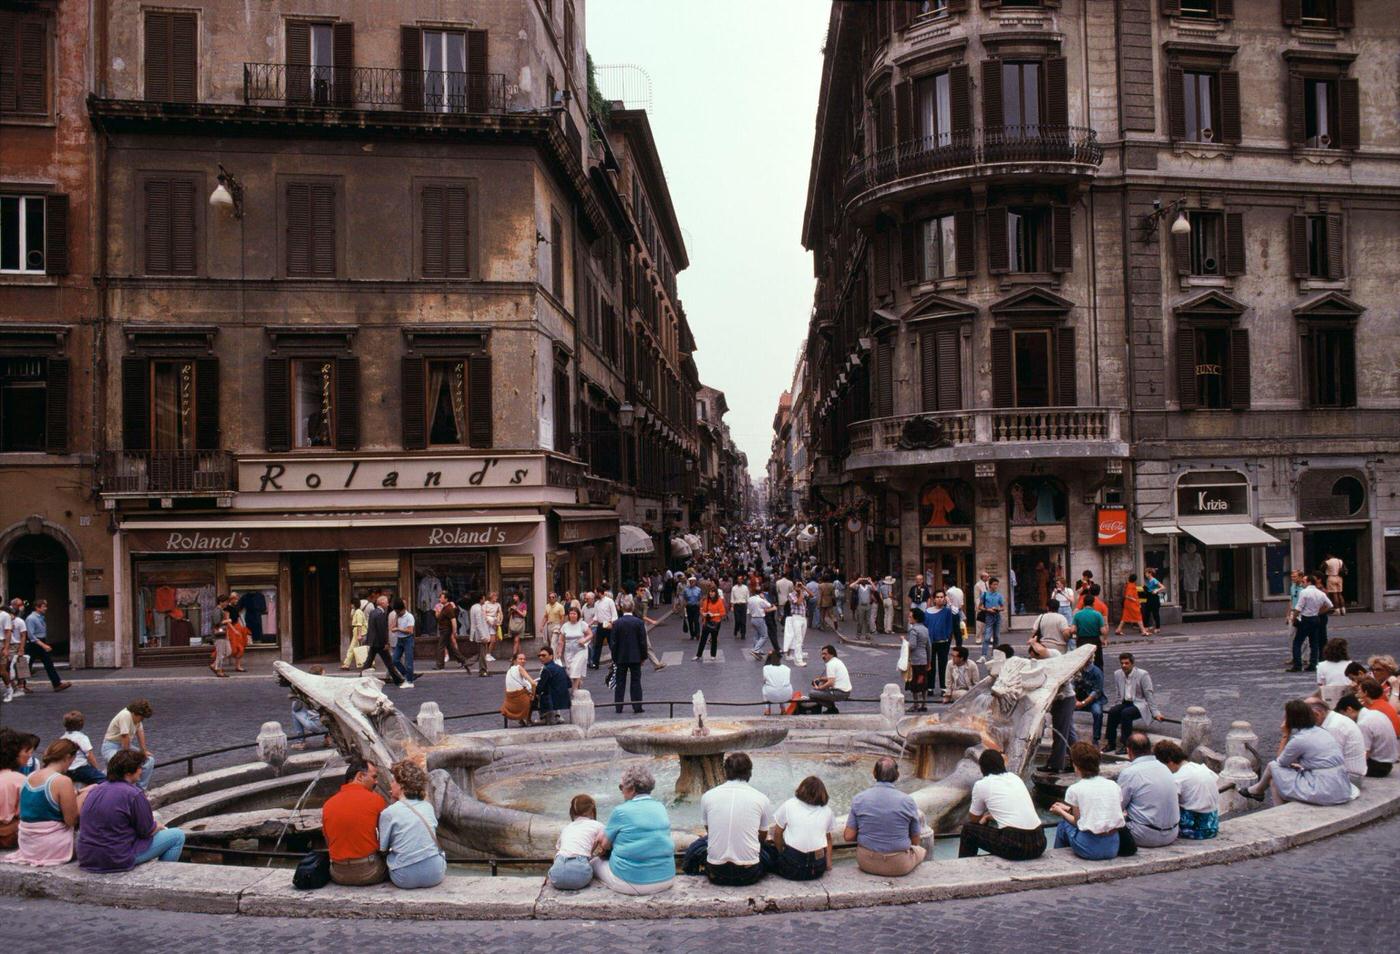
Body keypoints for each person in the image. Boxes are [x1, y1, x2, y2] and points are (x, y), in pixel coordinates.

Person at [76, 749, 186, 871]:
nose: (141, 770)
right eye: (139, 767)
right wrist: (158, 826)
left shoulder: (95, 791)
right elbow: (147, 831)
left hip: (87, 857)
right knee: (177, 836)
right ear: (128, 773)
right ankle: (164, 875)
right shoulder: (134, 794)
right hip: (116, 858)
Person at [683, 752, 777, 885]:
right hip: (749, 874)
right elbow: (762, 836)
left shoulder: (708, 796)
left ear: (726, 772)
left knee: (699, 844)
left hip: (716, 873)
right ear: (749, 772)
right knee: (770, 850)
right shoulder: (762, 799)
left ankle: (689, 873)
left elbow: (710, 831)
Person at [1239, 699, 1354, 806]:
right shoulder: (1322, 731)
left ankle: (1257, 790)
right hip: (1341, 785)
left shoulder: (1300, 739)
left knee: (1272, 766)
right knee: (1274, 781)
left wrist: (1285, 735)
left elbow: (1280, 762)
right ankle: (1263, 797)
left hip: (1323, 788)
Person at [592, 765, 675, 895]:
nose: (621, 791)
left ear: (631, 788)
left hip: (632, 883)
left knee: (594, 863)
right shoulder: (661, 807)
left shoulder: (621, 811)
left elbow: (605, 844)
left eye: (621, 787)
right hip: (667, 878)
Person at [3, 739, 80, 866]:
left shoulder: (29, 777)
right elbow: (71, 821)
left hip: (28, 845)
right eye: (73, 760)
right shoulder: (63, 781)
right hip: (52, 846)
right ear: (67, 757)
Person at [845, 756, 926, 877]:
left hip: (865, 862)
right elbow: (915, 840)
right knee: (922, 851)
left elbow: (848, 836)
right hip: (899, 865)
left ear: (874, 773)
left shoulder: (859, 799)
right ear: (897, 776)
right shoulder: (908, 801)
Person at [959, 749, 1046, 861]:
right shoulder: (1015, 778)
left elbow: (974, 819)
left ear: (982, 768)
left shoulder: (982, 784)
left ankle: (964, 869)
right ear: (1002, 764)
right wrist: (991, 816)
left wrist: (984, 817)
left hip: (1016, 846)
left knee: (968, 830)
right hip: (1040, 841)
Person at [377, 759, 446, 889]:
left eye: (393, 781)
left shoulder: (389, 813)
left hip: (404, 878)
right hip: (436, 874)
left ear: (401, 786)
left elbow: (383, 848)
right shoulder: (427, 807)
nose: (390, 784)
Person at [1050, 741, 1123, 860]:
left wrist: (1061, 812)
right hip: (1113, 846)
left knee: (1063, 826)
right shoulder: (1113, 785)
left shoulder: (1075, 789)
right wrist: (1068, 809)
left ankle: (1056, 861)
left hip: (1090, 847)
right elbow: (1102, 811)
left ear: (1076, 766)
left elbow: (1077, 823)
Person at [323, 758, 388, 885]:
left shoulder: (328, 804)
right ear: (360, 776)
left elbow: (328, 841)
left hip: (338, 873)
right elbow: (385, 841)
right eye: (374, 777)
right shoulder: (376, 800)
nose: (376, 781)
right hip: (370, 871)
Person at [1115, 732, 1179, 855]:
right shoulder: (1164, 767)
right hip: (1172, 833)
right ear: (1149, 749)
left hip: (1144, 835)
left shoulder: (1130, 773)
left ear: (1129, 751)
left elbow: (1117, 806)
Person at [1029, 630, 1076, 775]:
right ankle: (1078, 761)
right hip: (1058, 699)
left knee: (1061, 732)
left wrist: (1033, 642)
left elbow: (1041, 650)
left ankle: (1056, 764)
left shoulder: (1054, 655)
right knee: (1068, 733)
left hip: (1065, 698)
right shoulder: (1040, 663)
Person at [771, 775, 837, 881]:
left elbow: (777, 833)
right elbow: (828, 838)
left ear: (801, 789)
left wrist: (780, 853)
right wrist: (828, 863)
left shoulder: (789, 804)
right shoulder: (827, 811)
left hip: (792, 867)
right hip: (817, 868)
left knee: (768, 852)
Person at [1153, 740, 1219, 840]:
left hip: (1195, 829)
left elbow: (1168, 804)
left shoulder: (1178, 777)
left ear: (1170, 762)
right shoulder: (1201, 767)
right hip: (1213, 824)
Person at [1103, 653, 1163, 754]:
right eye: (1122, 663)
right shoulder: (1117, 674)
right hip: (1125, 702)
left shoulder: (1143, 674)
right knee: (1113, 712)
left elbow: (1149, 694)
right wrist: (1117, 705)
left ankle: (1126, 745)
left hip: (1140, 704)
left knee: (1126, 713)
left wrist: (1155, 713)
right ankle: (1110, 743)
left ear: (1132, 664)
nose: (1124, 666)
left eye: (1126, 663)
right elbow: (1118, 693)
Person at [548, 794, 604, 890]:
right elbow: (606, 844)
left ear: (572, 812)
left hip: (556, 877)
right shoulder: (598, 825)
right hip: (581, 875)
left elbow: (558, 849)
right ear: (592, 810)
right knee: (597, 861)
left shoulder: (567, 828)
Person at [1336, 694, 1396, 779]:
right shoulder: (1375, 713)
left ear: (1349, 710)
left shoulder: (1363, 723)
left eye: (1343, 715)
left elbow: (1363, 754)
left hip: (1378, 766)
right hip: (1387, 762)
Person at [102, 699, 156, 790]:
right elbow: (124, 736)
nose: (142, 720)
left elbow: (140, 732)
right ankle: (104, 781)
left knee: (149, 760)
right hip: (111, 746)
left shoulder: (137, 718)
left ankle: (140, 789)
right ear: (135, 713)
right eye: (141, 717)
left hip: (126, 745)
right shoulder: (125, 715)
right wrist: (127, 756)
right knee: (120, 764)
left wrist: (144, 750)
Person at [610, 596, 649, 714]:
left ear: (622, 609)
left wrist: (614, 657)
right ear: (632, 608)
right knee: (636, 681)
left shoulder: (616, 623)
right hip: (635, 656)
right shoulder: (638, 622)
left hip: (621, 657)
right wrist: (643, 657)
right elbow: (643, 641)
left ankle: (619, 707)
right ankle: (637, 706)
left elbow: (613, 642)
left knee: (620, 682)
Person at [22, 601, 71, 692]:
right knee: (27, 666)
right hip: (34, 644)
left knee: (49, 664)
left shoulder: (41, 617)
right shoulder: (31, 619)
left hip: (40, 642)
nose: (46, 608)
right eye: (44, 606)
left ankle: (57, 684)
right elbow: (31, 636)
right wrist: (43, 645)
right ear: (37, 607)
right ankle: (21, 686)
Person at [1287, 574, 1332, 673]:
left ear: (1309, 582)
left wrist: (1294, 618)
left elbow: (1299, 607)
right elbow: (1329, 605)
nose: (1302, 583)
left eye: (1304, 581)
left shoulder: (1304, 592)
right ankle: (1313, 664)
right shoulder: (1320, 593)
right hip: (1315, 618)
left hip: (1306, 618)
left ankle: (1297, 665)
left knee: (1297, 642)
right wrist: (1319, 612)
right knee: (1314, 642)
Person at [1316, 699, 1366, 784]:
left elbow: (1332, 760)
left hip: (1350, 777)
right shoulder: (1335, 719)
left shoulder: (1333, 727)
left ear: (1317, 714)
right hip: (1351, 773)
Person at [0, 729, 33, 849]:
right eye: (26, 751)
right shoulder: (20, 780)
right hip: (7, 836)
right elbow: (25, 815)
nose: (29, 755)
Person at [361, 595, 405, 686]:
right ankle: (398, 679)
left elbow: (371, 628)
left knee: (369, 661)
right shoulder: (380, 614)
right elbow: (381, 630)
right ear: (382, 603)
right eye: (386, 602)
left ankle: (360, 677)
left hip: (374, 641)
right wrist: (386, 642)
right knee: (388, 662)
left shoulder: (373, 612)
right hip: (379, 643)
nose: (388, 604)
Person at [923, 590, 958, 693]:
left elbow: (956, 613)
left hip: (943, 641)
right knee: (930, 664)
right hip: (930, 642)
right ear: (934, 599)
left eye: (942, 597)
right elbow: (925, 625)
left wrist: (949, 602)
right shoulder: (928, 611)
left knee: (943, 665)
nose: (940, 599)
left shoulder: (947, 611)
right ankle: (930, 687)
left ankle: (944, 687)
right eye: (937, 597)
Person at [60, 710, 105, 787]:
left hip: (67, 770)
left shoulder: (62, 738)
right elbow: (90, 756)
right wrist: (96, 769)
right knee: (104, 780)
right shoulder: (82, 738)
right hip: (80, 768)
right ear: (81, 725)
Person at [535, 646, 572, 725]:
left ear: (551, 656)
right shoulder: (560, 668)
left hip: (552, 699)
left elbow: (540, 688)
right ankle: (557, 716)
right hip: (564, 698)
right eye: (539, 656)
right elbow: (569, 684)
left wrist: (535, 691)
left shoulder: (546, 669)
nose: (541, 657)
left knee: (536, 695)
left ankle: (543, 717)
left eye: (544, 655)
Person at [810, 645, 852, 713]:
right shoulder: (836, 661)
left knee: (812, 693)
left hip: (840, 693)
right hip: (846, 692)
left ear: (831, 654)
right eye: (822, 654)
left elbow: (831, 682)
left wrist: (819, 688)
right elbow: (833, 678)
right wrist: (820, 679)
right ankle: (831, 709)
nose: (823, 656)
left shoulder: (830, 664)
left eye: (825, 654)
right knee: (823, 685)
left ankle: (831, 708)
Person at [1074, 657, 1106, 746]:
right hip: (1079, 698)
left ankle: (1096, 739)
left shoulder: (1097, 672)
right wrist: (1076, 701)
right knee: (1065, 709)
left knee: (1098, 712)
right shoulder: (1077, 670)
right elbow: (1071, 686)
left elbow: (1096, 691)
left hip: (1094, 700)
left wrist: (1083, 703)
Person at [904, 608, 931, 711]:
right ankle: (924, 704)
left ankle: (916, 704)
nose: (908, 618)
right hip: (923, 659)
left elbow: (912, 645)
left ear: (915, 618)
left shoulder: (913, 630)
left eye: (910, 616)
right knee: (923, 681)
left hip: (915, 660)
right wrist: (929, 661)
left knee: (914, 683)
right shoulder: (925, 629)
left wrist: (904, 642)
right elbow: (929, 646)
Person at [559, 605, 591, 690]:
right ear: (568, 615)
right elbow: (561, 640)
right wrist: (559, 652)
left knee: (575, 670)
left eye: (574, 614)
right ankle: (578, 683)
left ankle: (574, 691)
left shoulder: (582, 624)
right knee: (571, 671)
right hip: (569, 652)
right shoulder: (565, 626)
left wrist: (584, 640)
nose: (572, 615)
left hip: (580, 650)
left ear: (578, 615)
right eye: (571, 614)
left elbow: (590, 634)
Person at [501, 652, 535, 727]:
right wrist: (533, 694)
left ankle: (522, 719)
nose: (523, 661)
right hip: (520, 702)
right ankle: (528, 719)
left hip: (509, 701)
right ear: (515, 661)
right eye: (520, 659)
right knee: (535, 697)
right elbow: (533, 683)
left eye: (524, 659)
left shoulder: (509, 670)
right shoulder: (519, 668)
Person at [1072, 596, 1107, 670]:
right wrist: (1104, 639)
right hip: (1095, 640)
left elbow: (1073, 630)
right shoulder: (1097, 615)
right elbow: (1103, 630)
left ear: (1083, 603)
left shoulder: (1077, 615)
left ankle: (1083, 678)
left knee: (1082, 663)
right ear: (1093, 604)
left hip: (1081, 641)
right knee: (1098, 662)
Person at [1315, 638, 1354, 703]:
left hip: (1329, 699)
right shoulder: (1351, 664)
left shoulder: (1321, 665)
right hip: (1348, 698)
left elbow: (1321, 686)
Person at [977, 577, 1005, 662]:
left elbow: (1003, 607)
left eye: (997, 584)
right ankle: (983, 656)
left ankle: (994, 655)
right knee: (987, 637)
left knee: (996, 636)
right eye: (994, 584)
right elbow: (980, 606)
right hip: (988, 616)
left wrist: (998, 609)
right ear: (990, 585)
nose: (996, 586)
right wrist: (987, 609)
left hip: (997, 616)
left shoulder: (999, 595)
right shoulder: (985, 594)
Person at [696, 584, 726, 660]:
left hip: (716, 622)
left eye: (713, 592)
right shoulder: (706, 601)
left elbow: (723, 613)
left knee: (714, 639)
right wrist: (703, 613)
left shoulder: (719, 601)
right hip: (707, 622)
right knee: (703, 639)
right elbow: (702, 609)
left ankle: (713, 655)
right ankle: (698, 655)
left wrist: (714, 614)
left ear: (715, 593)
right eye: (710, 592)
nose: (711, 593)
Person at [762, 651, 794, 715]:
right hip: (786, 695)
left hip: (771, 694)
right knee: (781, 685)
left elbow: (764, 680)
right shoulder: (787, 668)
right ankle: (783, 709)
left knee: (765, 687)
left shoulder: (766, 668)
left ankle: (767, 709)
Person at [343, 596, 369, 671]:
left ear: (353, 604)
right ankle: (346, 664)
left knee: (354, 648)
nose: (350, 606)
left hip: (358, 631)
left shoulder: (358, 612)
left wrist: (359, 635)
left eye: (351, 604)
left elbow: (359, 624)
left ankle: (347, 664)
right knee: (353, 647)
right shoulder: (356, 611)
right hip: (357, 631)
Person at [1141, 568, 1164, 635]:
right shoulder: (1148, 580)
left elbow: (1162, 587)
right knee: (1147, 613)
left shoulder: (1154, 580)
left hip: (1154, 598)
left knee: (1155, 614)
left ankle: (1158, 628)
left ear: (1150, 573)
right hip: (1149, 598)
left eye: (1146, 573)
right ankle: (1146, 627)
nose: (1145, 574)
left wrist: (1156, 590)